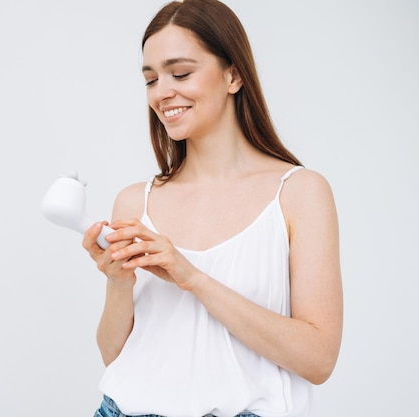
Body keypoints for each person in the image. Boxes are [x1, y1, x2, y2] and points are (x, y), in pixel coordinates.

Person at [82, 1, 343, 416]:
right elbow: (115, 357)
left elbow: (319, 359)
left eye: (180, 73)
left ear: (233, 74)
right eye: (151, 79)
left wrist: (193, 278)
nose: (162, 92)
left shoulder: (299, 193)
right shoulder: (135, 201)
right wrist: (119, 284)